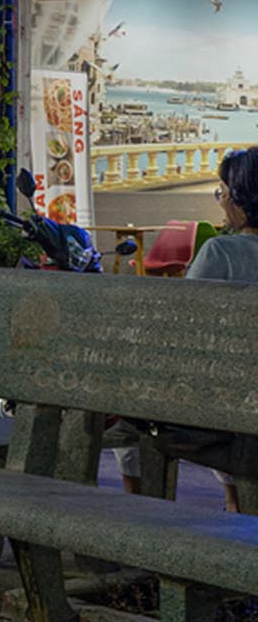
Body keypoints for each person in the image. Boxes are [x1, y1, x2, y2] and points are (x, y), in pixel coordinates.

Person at [116, 146, 258, 509]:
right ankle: (235, 500)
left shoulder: (221, 253)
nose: (222, 203)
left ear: (241, 199)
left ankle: (140, 519)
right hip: (243, 408)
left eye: (223, 193)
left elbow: (175, 331)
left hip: (229, 417)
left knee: (126, 421)